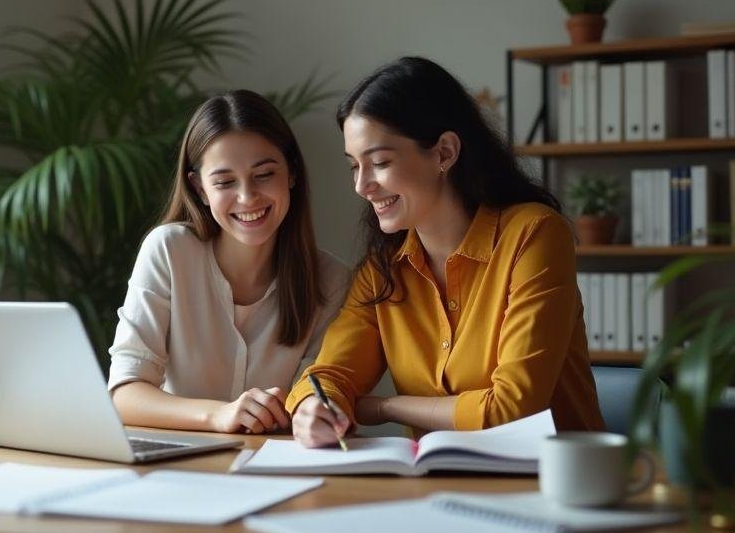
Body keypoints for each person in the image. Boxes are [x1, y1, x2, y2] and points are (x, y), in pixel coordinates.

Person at [288, 57, 605, 447]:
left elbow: (512, 410)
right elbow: (329, 375)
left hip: (554, 476)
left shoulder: (534, 234)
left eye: (380, 162)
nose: (362, 186)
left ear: (444, 153)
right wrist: (316, 408)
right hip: (439, 477)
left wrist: (385, 407)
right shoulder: (384, 268)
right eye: (354, 166)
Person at [108, 89, 348, 434]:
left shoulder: (332, 280)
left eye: (264, 175)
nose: (247, 197)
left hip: (277, 460)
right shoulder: (170, 251)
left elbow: (313, 398)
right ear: (200, 189)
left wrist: (317, 412)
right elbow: (124, 394)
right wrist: (218, 415)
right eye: (224, 182)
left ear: (292, 173)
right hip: (183, 461)